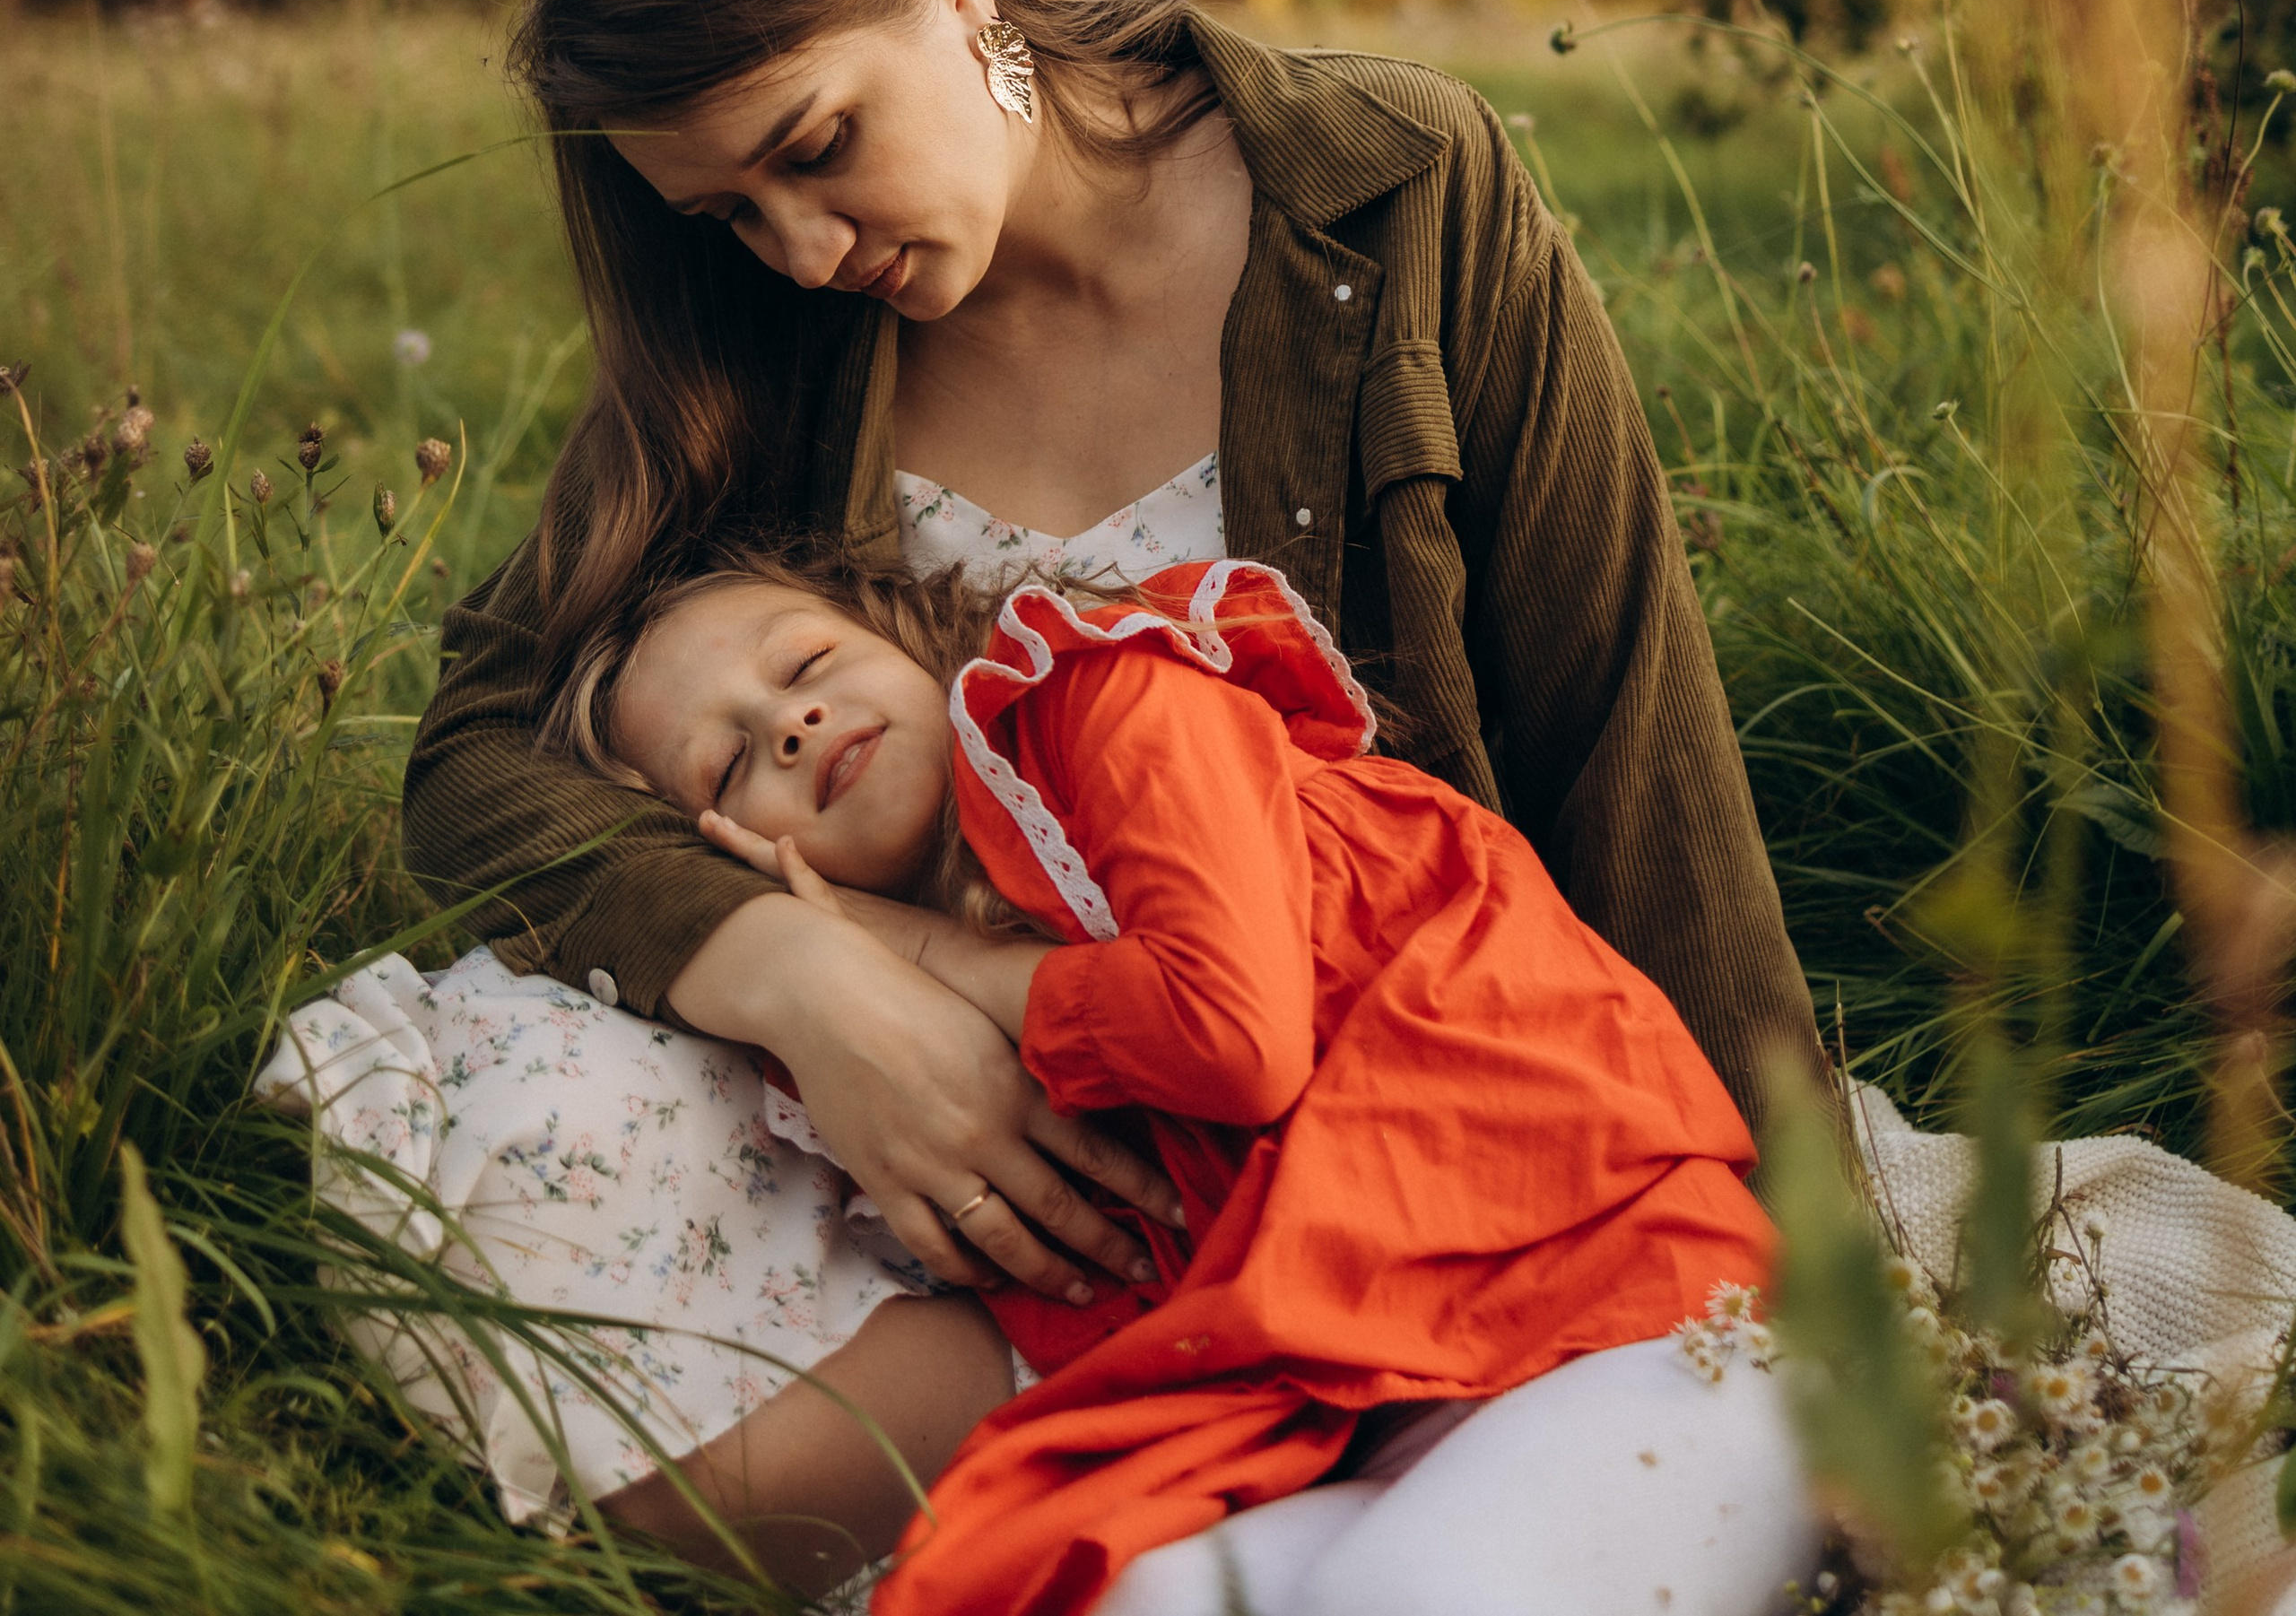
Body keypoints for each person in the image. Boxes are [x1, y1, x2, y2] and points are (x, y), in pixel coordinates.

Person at [398, 0, 1821, 1551]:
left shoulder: (1388, 194)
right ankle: (1137, 1440)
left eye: (814, 148)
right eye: (731, 215)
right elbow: (472, 752)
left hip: (1384, 1117)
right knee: (450, 1122)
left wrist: (1808, 1268)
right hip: (995, 1163)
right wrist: (803, 981)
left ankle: (1239, 1444)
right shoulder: (754, 334)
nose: (804, 246)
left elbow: (1630, 750)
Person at [538, 534, 1806, 1616]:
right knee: (1137, 1592)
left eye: (806, 664)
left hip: (1614, 1296)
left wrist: (926, 947)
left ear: (904, 633)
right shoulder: (907, 1032)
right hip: (1351, 1394)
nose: (792, 720)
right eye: (733, 762)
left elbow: (1235, 1040)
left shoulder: (1104, 699)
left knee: (1424, 1594)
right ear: (738, 856)